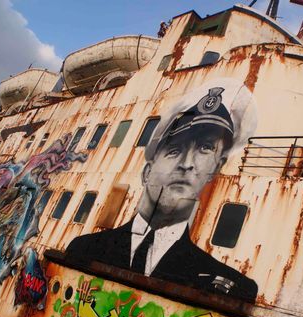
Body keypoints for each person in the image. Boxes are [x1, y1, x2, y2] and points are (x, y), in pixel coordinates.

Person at [64, 79, 258, 302]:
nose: (186, 163)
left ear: (215, 169)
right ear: (147, 172)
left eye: (205, 148)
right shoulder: (82, 249)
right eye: (174, 150)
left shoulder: (233, 288)